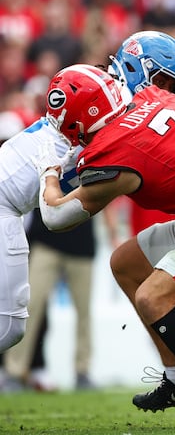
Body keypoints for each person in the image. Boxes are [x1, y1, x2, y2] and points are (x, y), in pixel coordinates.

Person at [37, 63, 175, 431]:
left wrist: (49, 172)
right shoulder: (152, 97)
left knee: (154, 297)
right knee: (126, 263)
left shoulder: (115, 152)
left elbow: (56, 217)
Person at [0, 100, 77, 355]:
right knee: (10, 326)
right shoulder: (45, 144)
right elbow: (55, 216)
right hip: (12, 214)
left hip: (15, 220)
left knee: (13, 325)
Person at [4, 209, 98, 390]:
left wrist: (113, 232)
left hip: (82, 244)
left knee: (84, 313)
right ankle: (14, 372)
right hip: (46, 241)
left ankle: (83, 371)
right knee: (28, 306)